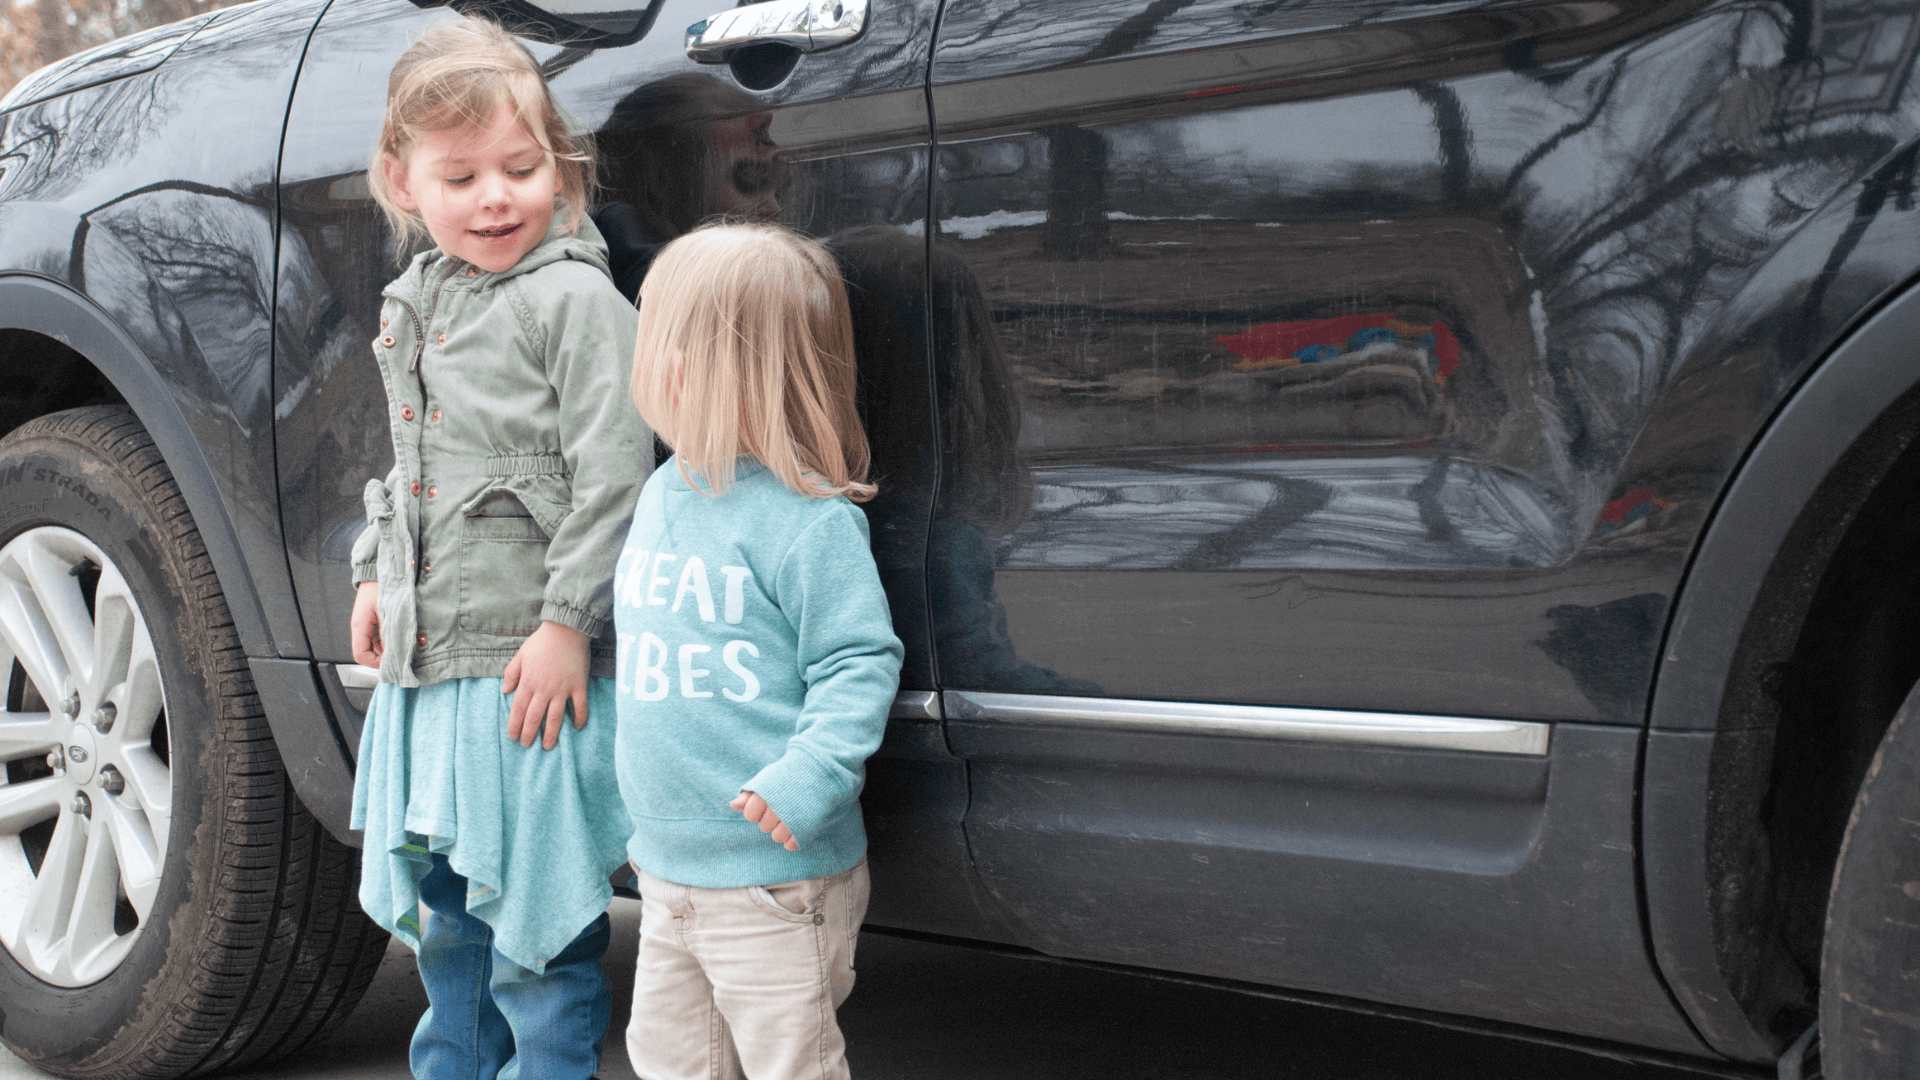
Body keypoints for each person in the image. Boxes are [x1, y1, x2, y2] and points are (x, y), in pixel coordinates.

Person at [344, 17, 650, 1080]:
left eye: (521, 169)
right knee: (449, 932)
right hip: (434, 677)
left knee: (535, 942)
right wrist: (375, 573)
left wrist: (570, 623)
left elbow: (616, 473)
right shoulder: (420, 301)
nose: (495, 198)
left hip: (526, 676)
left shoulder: (572, 299)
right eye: (461, 175)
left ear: (560, 169)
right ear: (402, 182)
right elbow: (415, 464)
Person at [614, 221, 904, 1080]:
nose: (644, 358)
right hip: (667, 869)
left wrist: (811, 774)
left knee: (790, 1064)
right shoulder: (665, 492)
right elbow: (653, 669)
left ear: (727, 370)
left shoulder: (809, 520)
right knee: (667, 1060)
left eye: (661, 340)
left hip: (773, 881)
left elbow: (858, 661)